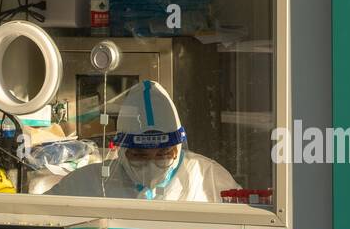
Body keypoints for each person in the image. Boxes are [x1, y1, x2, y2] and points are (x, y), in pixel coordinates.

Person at [51, 80, 236, 201]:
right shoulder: (87, 183)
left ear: (178, 148)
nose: (151, 165)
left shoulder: (205, 178)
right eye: (139, 156)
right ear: (122, 152)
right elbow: (37, 216)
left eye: (163, 154)